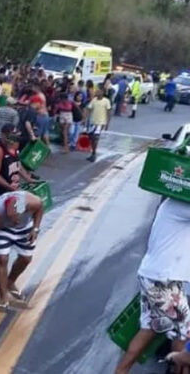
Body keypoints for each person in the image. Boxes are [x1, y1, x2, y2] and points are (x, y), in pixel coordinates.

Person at [113, 197, 190, 374]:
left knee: (149, 329)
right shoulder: (182, 204)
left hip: (154, 275)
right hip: (163, 280)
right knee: (184, 334)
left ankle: (120, 371)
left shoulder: (174, 201)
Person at [0, 125, 32, 214]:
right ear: (3, 136)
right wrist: (10, 187)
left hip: (13, 193)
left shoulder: (15, 148)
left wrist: (28, 178)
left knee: (17, 218)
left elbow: (17, 164)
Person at [86, 89, 111, 162]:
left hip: (100, 122)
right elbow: (89, 109)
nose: (96, 93)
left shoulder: (106, 101)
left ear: (102, 92)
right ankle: (93, 151)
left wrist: (107, 123)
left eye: (98, 92)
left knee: (95, 137)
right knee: (91, 137)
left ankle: (94, 153)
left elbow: (109, 112)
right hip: (93, 122)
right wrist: (86, 118)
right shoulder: (94, 100)